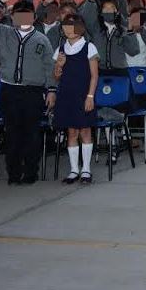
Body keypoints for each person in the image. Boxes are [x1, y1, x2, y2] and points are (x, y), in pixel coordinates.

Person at [0, 0, 56, 185]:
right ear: (12, 17)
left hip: (32, 91)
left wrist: (52, 90)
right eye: (19, 15)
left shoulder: (42, 40)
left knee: (31, 133)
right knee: (12, 133)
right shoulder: (5, 33)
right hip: (9, 90)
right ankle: (14, 172)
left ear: (33, 18)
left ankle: (30, 172)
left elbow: (49, 67)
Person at [51, 15, 99, 184]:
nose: (69, 29)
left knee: (85, 131)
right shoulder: (61, 49)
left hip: (84, 95)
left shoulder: (89, 47)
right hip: (66, 96)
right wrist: (59, 66)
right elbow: (56, 77)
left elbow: (94, 76)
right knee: (71, 132)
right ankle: (73, 170)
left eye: (72, 26)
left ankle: (86, 169)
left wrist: (90, 96)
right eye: (66, 26)